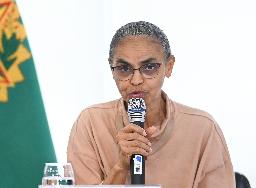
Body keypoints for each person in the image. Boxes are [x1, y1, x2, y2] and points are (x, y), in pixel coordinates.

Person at [67, 21, 236, 188]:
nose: (136, 80)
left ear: (169, 67)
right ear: (112, 70)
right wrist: (120, 167)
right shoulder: (90, 123)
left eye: (149, 67)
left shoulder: (202, 128)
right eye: (124, 68)